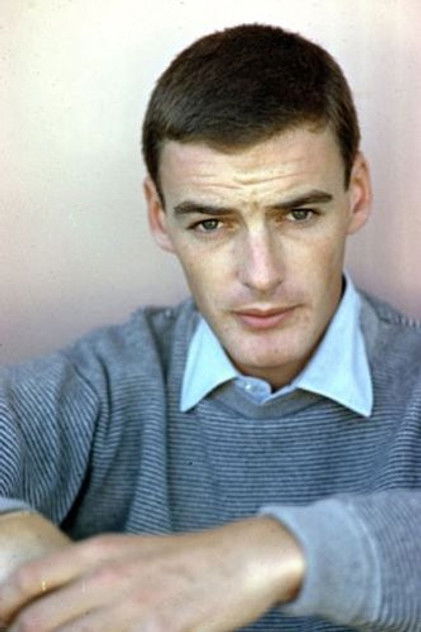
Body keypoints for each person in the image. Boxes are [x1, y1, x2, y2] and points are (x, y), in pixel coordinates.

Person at [0, 22, 419, 632]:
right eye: (211, 224)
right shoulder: (106, 386)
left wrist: (265, 554)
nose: (261, 275)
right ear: (159, 216)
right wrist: (15, 549)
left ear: (356, 193)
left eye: (299, 214)